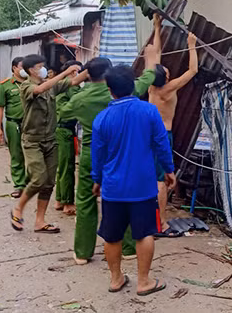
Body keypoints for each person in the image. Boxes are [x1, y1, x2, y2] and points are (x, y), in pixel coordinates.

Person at [61, 48, 159, 265]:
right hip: (122, 154)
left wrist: (75, 81)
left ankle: (83, 252)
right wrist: (151, 60)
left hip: (91, 153)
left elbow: (62, 112)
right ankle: (128, 247)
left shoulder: (79, 99)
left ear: (89, 74)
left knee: (86, 200)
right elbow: (147, 78)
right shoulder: (124, 92)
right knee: (125, 198)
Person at [92, 64, 175, 295]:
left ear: (110, 89)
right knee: (145, 233)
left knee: (112, 235)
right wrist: (169, 170)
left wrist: (96, 180)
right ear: (133, 85)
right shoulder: (149, 112)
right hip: (143, 186)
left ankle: (116, 279)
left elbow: (97, 156)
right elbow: (161, 144)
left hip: (113, 187)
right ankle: (144, 281)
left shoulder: (102, 118)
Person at [10, 55, 79, 234]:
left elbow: (73, 82)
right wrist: (65, 72)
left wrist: (91, 69)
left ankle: (40, 221)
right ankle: (18, 208)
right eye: (40, 66)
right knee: (39, 178)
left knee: (48, 182)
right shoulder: (27, 86)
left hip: (50, 139)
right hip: (33, 141)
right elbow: (40, 89)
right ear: (32, 70)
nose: (43, 69)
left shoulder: (50, 86)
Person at [148, 14, 198, 233]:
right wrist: (191, 46)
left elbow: (156, 54)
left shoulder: (151, 86)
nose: (167, 68)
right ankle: (160, 223)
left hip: (147, 135)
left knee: (149, 178)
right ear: (166, 78)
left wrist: (157, 28)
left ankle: (150, 218)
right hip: (161, 137)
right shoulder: (167, 90)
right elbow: (192, 71)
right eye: (167, 70)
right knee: (161, 182)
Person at [0, 57, 30, 198]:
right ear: (14, 68)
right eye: (22, 67)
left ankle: (32, 183)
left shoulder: (32, 83)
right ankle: (19, 185)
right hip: (13, 123)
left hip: (32, 124)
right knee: (16, 154)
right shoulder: (5, 85)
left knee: (34, 154)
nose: (25, 70)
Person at [54, 59, 82, 215]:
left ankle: (60, 199)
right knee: (67, 167)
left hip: (62, 129)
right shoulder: (70, 85)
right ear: (73, 72)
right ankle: (67, 203)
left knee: (63, 166)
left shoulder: (63, 84)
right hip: (64, 130)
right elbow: (83, 99)